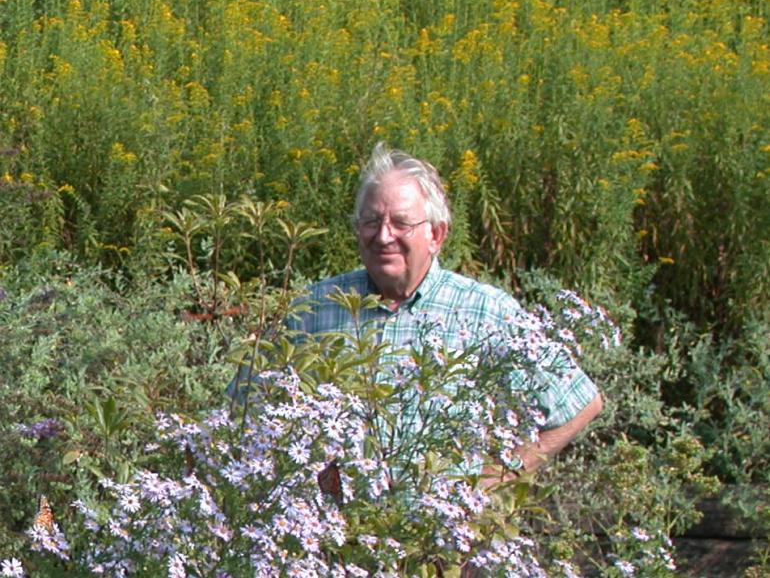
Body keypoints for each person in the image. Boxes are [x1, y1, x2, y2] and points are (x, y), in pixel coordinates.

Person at [235, 142, 603, 476]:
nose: (383, 236)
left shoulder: (485, 312)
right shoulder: (315, 307)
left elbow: (580, 403)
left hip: (440, 542)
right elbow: (243, 406)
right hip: (335, 541)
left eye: (401, 223)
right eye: (371, 221)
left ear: (437, 235)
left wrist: (501, 478)